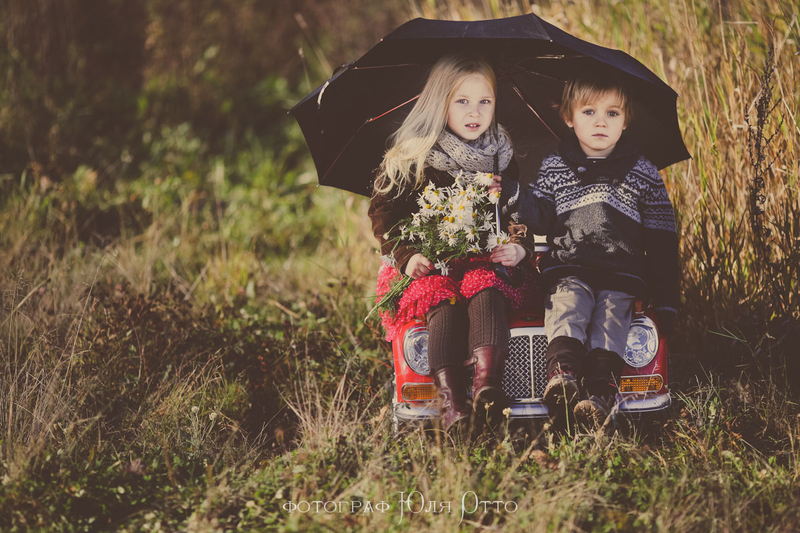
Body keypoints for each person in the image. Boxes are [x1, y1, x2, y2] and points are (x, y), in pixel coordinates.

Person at [491, 72, 679, 427]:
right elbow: (541, 215)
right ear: (569, 118)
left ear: (626, 121)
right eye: (589, 112)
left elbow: (662, 241)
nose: (600, 122)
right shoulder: (556, 165)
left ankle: (599, 394)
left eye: (612, 113)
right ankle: (562, 377)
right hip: (570, 266)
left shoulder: (643, 172)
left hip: (621, 273)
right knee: (567, 308)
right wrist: (513, 194)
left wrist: (667, 301)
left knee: (611, 321)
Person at [369, 54, 533, 435]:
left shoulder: (500, 154)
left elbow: (517, 213)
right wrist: (407, 256)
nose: (475, 111)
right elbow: (384, 215)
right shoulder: (415, 154)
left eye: (485, 101)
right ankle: (452, 403)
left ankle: (486, 388)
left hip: (482, 260)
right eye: (462, 101)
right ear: (440, 103)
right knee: (442, 306)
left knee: (487, 291)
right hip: (429, 263)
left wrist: (518, 244)